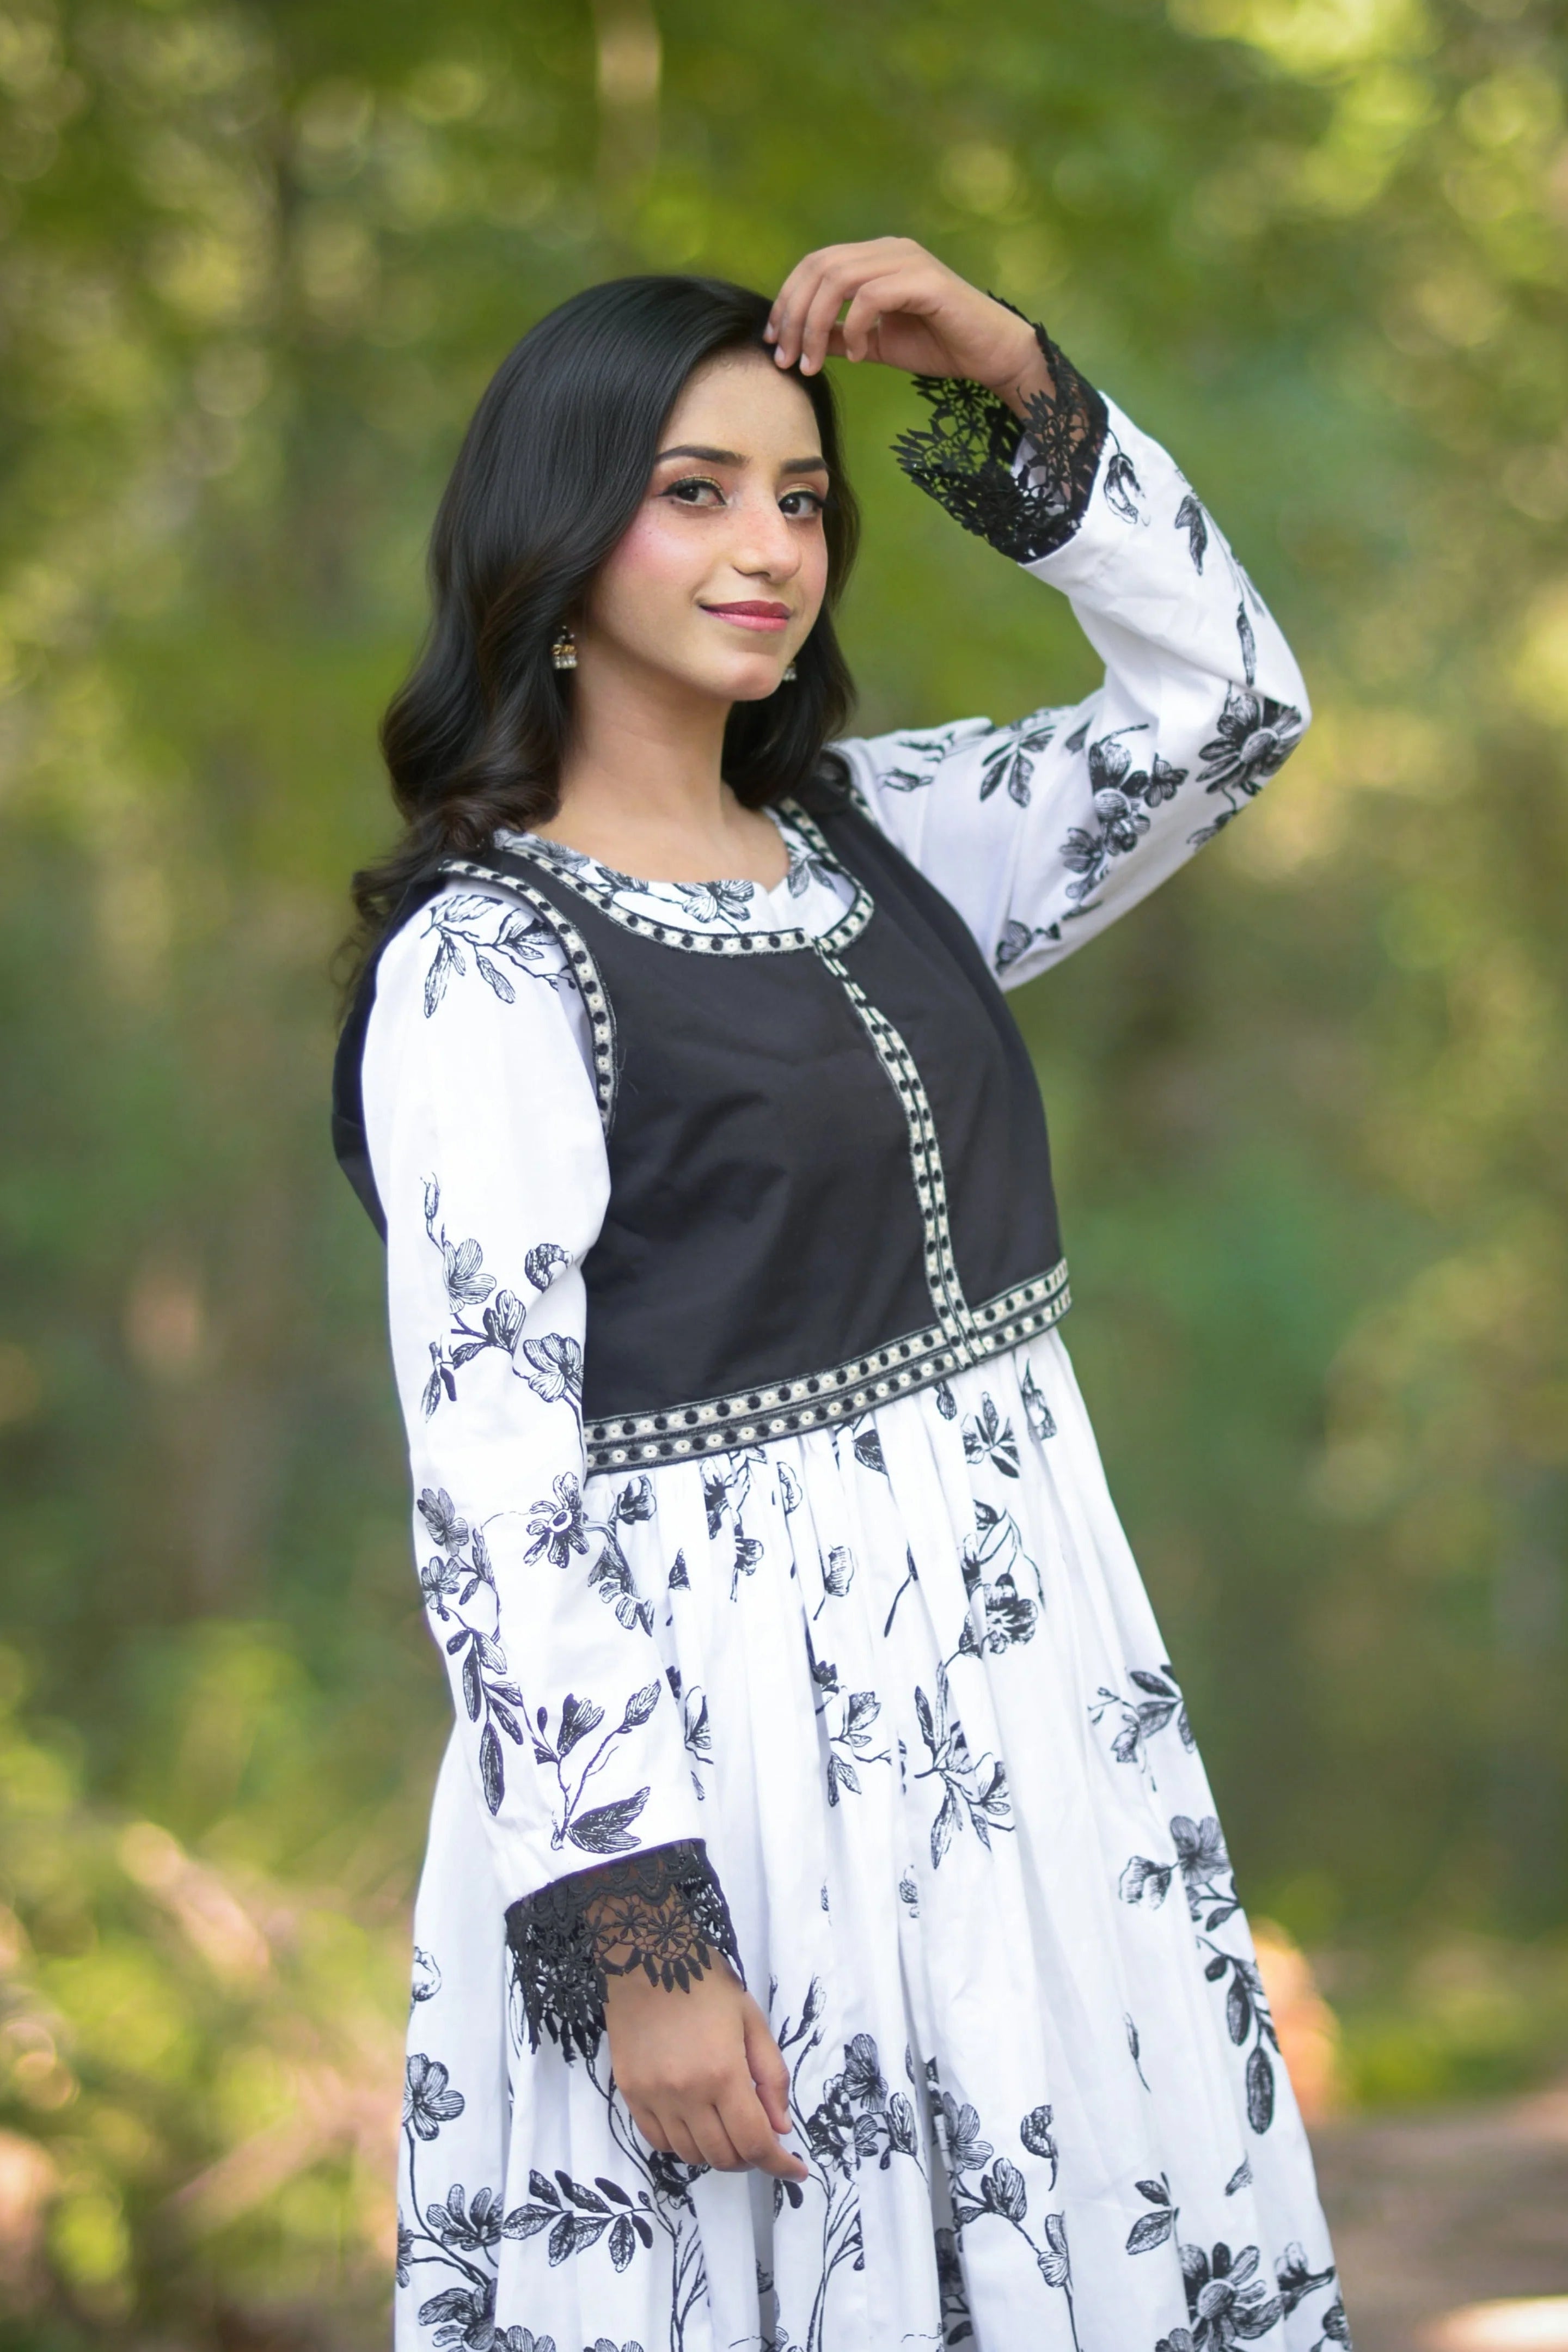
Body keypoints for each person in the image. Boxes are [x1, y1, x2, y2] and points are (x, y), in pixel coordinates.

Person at [334, 238, 1349, 2352]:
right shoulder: (491, 962)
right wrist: (641, 1937)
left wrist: (1016, 380)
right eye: (694, 491)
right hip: (740, 1766)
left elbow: (1226, 707)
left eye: (801, 497)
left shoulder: (882, 841)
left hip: (1031, 1716)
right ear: (558, 527)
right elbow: (495, 1485)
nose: (769, 547)